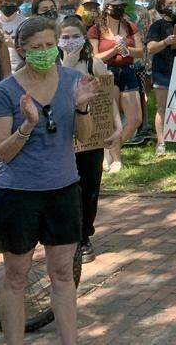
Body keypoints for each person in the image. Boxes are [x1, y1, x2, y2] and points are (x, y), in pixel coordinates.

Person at [0, 16, 98, 344]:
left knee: (63, 274)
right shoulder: (6, 92)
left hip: (63, 189)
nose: (46, 52)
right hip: (19, 193)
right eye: (37, 48)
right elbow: (3, 152)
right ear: (22, 50)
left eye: (51, 45)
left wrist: (83, 109)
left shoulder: (74, 80)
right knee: (16, 277)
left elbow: (84, 138)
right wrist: (28, 125)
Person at [56, 17, 116, 264]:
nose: (70, 41)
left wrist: (116, 126)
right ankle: (65, 235)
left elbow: (108, 97)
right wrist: (67, 62)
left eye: (75, 36)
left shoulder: (95, 64)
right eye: (65, 37)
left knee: (89, 188)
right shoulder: (52, 65)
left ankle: (84, 236)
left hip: (91, 139)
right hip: (62, 139)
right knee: (66, 189)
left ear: (84, 37)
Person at [89, 0, 143, 173]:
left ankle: (110, 149)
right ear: (106, 8)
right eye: (114, 6)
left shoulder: (129, 26)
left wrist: (127, 50)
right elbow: (95, 57)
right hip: (106, 72)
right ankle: (117, 159)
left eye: (121, 6)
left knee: (135, 118)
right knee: (113, 118)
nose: (118, 9)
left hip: (127, 71)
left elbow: (141, 52)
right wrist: (114, 50)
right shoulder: (96, 30)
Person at [146, 0, 176, 157]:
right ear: (162, 7)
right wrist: (166, 42)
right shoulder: (157, 26)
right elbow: (151, 48)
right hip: (163, 71)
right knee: (162, 107)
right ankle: (161, 142)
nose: (175, 6)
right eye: (170, 3)